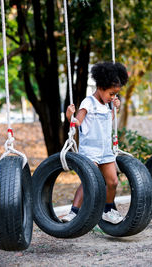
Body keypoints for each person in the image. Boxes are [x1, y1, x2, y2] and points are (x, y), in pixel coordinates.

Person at [61, 62, 128, 224]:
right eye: (111, 94)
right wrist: (70, 115)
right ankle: (74, 212)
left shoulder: (107, 105)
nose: (113, 97)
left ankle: (108, 210)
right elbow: (77, 122)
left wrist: (115, 108)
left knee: (113, 181)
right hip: (90, 150)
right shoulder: (88, 103)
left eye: (115, 95)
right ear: (100, 87)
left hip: (106, 150)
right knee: (88, 181)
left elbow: (108, 121)